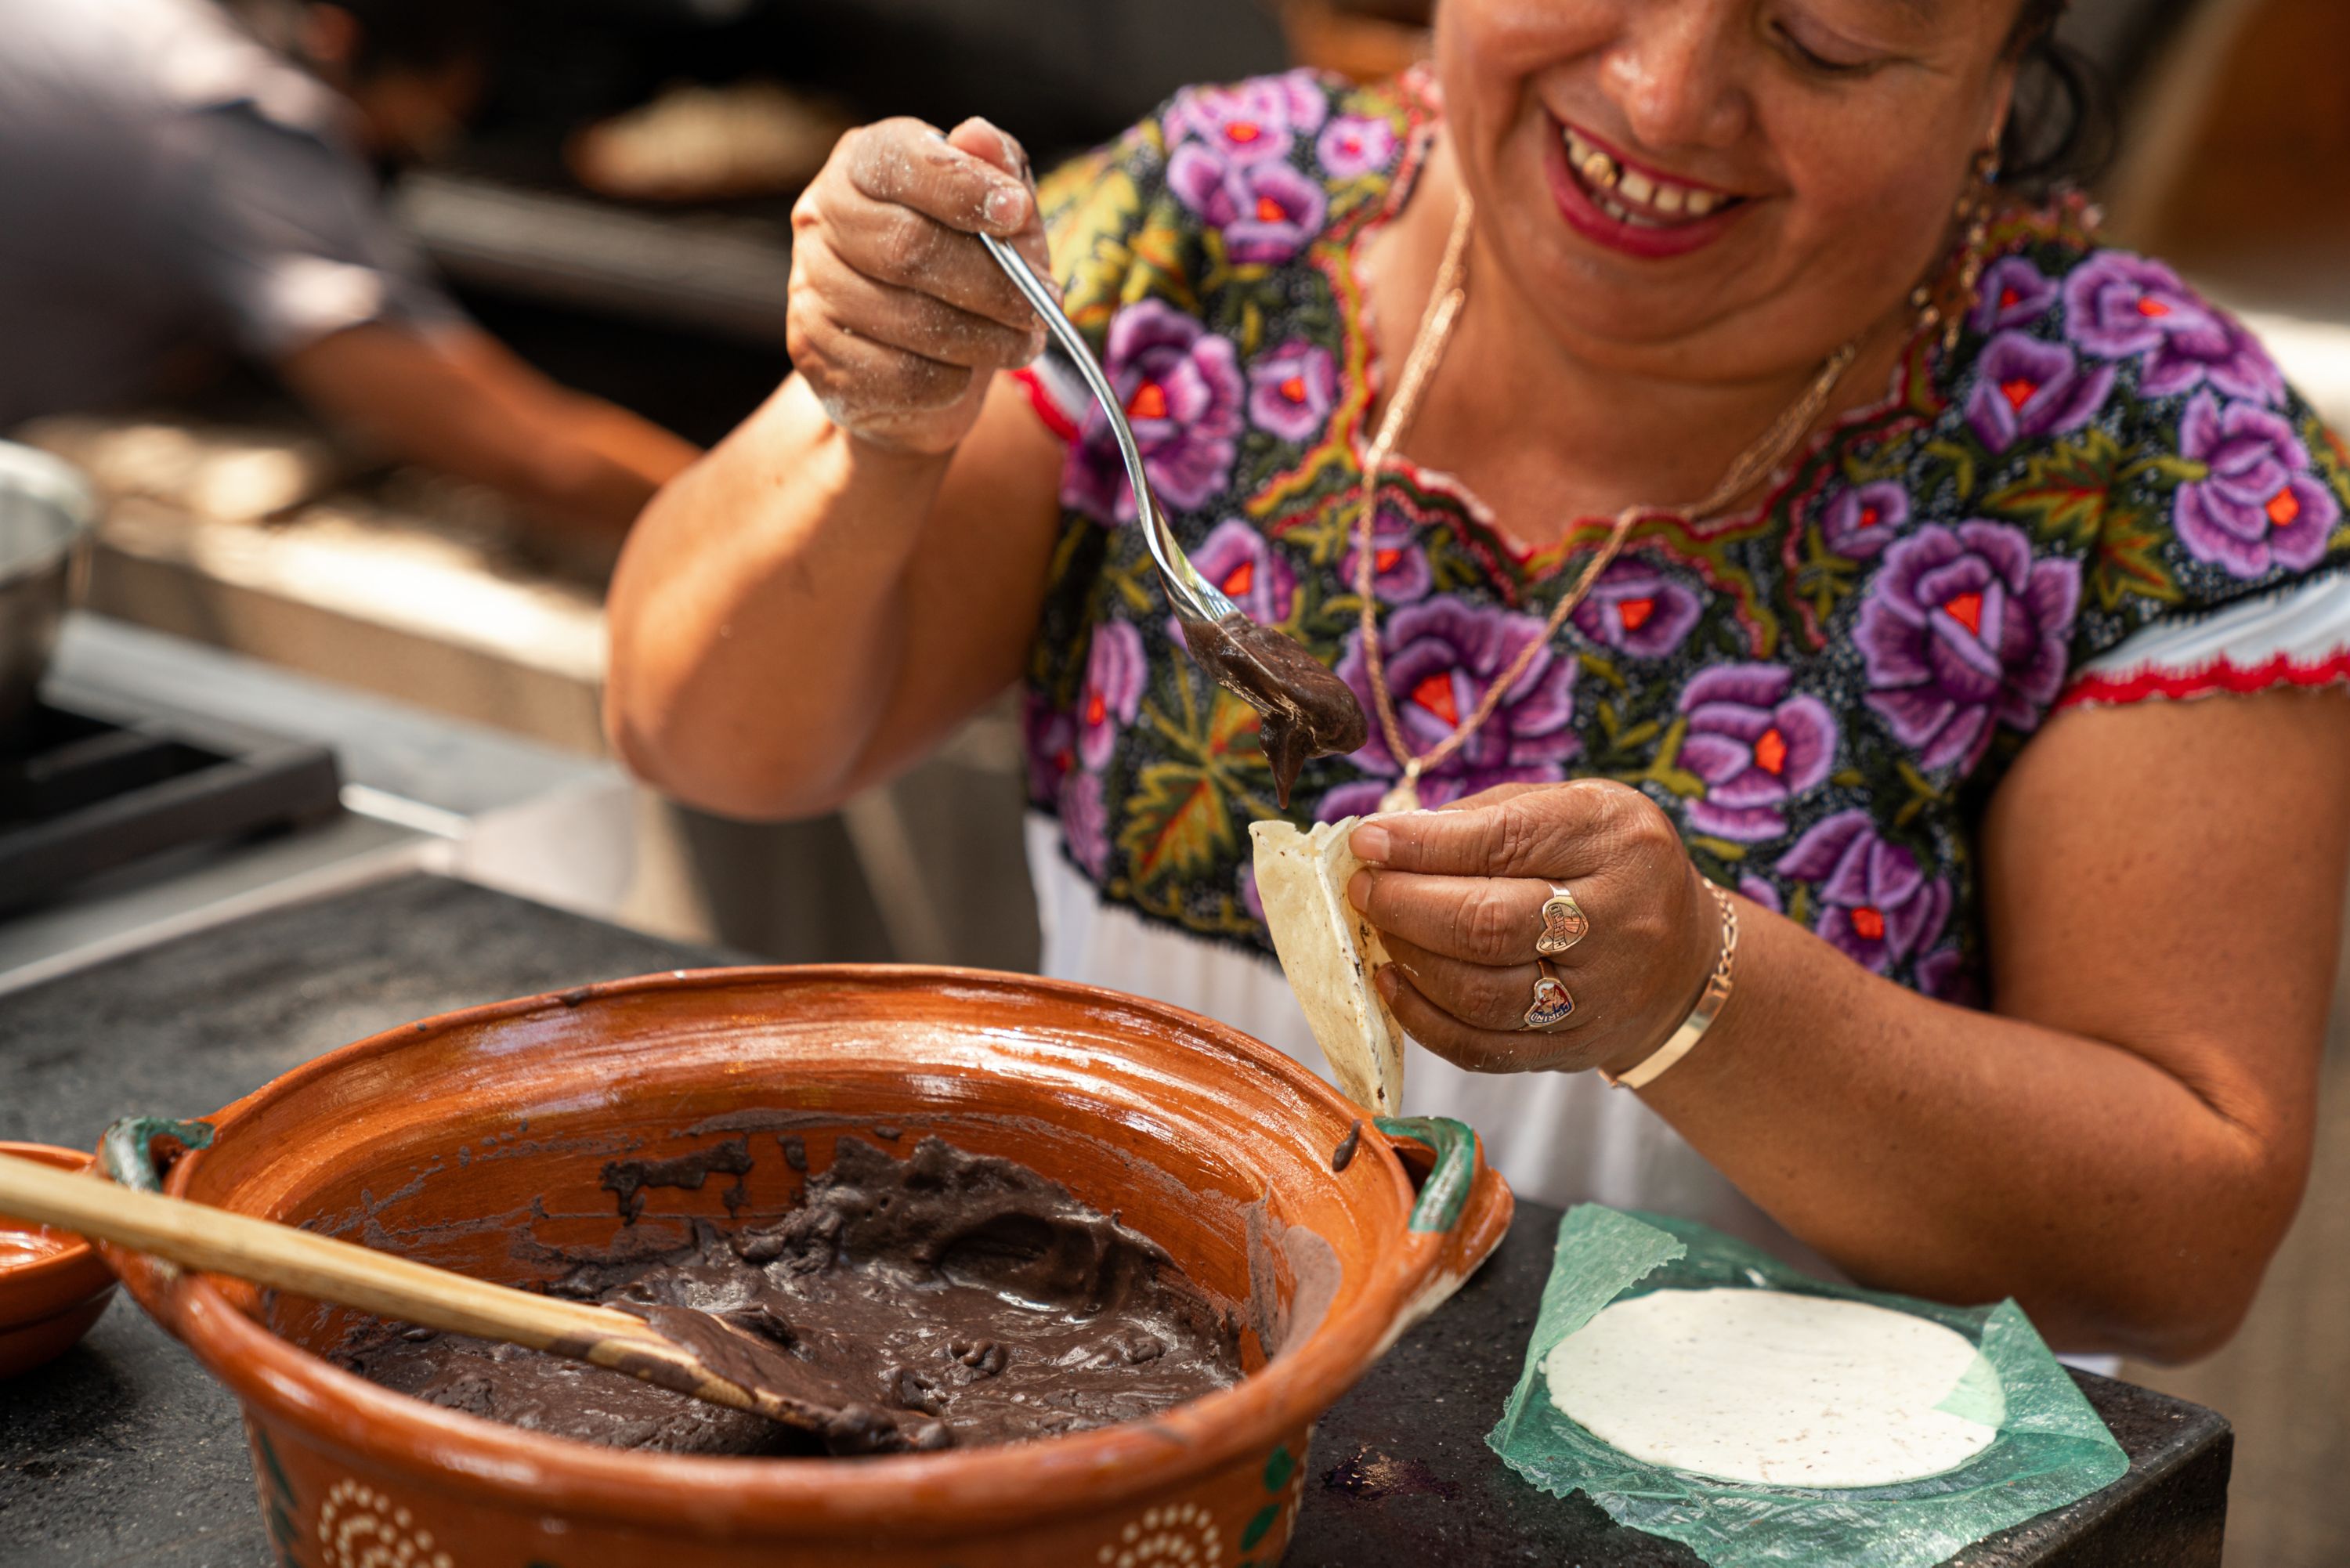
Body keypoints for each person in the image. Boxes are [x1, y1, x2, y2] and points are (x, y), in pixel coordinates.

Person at [607, 0, 2350, 1362]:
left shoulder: (2151, 451)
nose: (1665, 101)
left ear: (1998, 75)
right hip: (1143, 1413)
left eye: (1822, 37)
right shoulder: (1206, 230)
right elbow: (702, 728)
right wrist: (879, 433)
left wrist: (1704, 994)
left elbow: (2182, 1241)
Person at [0, 0, 696, 543]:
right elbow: (533, 455)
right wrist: (737, 511)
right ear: (339, 38)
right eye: (409, 135)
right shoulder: (235, 130)